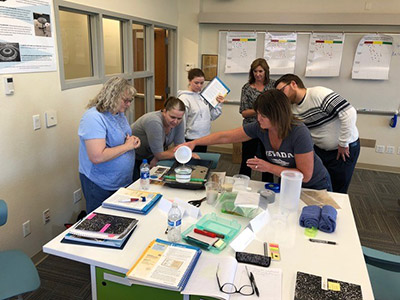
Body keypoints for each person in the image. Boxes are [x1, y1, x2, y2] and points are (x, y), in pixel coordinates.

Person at [180, 89, 332, 191]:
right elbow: (225, 136)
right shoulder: (261, 127)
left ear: (278, 115)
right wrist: (194, 142)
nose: (258, 119)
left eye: (263, 116)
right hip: (288, 183)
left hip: (314, 186)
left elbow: (305, 176)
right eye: (258, 114)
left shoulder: (299, 132)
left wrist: (269, 167)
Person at [275, 74, 360, 193]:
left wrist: (343, 142)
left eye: (282, 90)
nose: (281, 96)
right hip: (320, 150)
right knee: (320, 184)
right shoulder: (291, 108)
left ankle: (336, 210)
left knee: (337, 188)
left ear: (293, 84)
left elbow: (349, 113)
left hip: (343, 149)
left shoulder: (318, 94)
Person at [78, 76, 141, 213]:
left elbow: (122, 139)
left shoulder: (118, 113)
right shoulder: (93, 117)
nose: (129, 104)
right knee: (101, 226)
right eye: (125, 100)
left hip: (122, 182)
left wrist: (132, 141)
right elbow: (97, 156)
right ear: (112, 96)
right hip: (100, 185)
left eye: (130, 100)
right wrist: (127, 146)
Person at [131, 97, 196, 180]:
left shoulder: (179, 120)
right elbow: (160, 154)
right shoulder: (154, 121)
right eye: (172, 117)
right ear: (164, 112)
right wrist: (184, 154)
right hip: (133, 156)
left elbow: (180, 146)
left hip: (150, 155)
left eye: (179, 118)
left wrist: (158, 156)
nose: (176, 121)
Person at [239, 58, 275, 182]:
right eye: (255, 71)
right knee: (247, 160)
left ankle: (268, 185)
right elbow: (244, 112)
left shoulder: (273, 86)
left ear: (266, 71)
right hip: (251, 128)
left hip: (269, 129)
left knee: (267, 159)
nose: (258, 74)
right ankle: (243, 183)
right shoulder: (247, 88)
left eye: (260, 71)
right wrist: (261, 109)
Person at [177, 68, 225, 152]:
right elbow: (181, 123)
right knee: (190, 162)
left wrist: (219, 104)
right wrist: (181, 142)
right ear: (189, 81)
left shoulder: (203, 96)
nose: (199, 86)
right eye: (196, 83)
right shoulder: (184, 99)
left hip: (204, 137)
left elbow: (212, 116)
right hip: (191, 138)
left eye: (202, 83)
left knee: (201, 161)